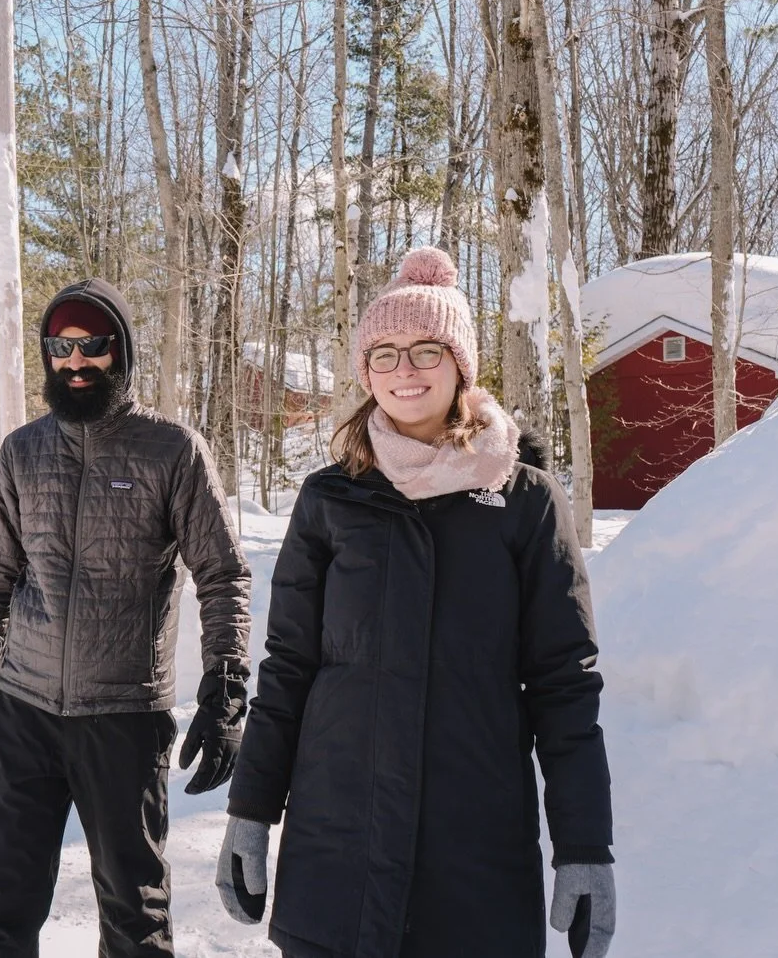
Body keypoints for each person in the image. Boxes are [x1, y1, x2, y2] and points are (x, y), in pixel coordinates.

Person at [217, 247, 615, 958]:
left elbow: (565, 682)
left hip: (475, 853)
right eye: (386, 353)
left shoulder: (525, 501)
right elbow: (288, 668)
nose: (406, 369)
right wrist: (250, 810)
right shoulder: (329, 498)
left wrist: (584, 845)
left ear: (459, 363)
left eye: (427, 349)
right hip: (338, 845)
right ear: (366, 372)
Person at [0, 277, 253, 957]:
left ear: (121, 350)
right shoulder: (21, 452)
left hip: (124, 717)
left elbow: (222, 574)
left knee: (133, 913)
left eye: (92, 345)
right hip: (24, 712)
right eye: (61, 347)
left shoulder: (172, 450)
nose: (76, 361)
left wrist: (226, 686)